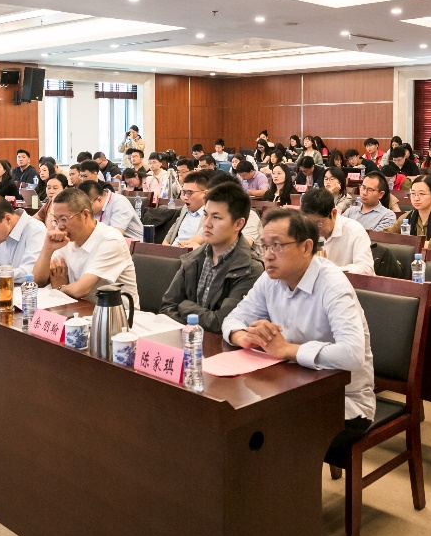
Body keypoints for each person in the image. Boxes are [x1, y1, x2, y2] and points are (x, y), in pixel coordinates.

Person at [221, 209, 375, 468]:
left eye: (277, 245)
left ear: (306, 247)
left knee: (265, 434)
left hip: (342, 402)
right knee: (236, 425)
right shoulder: (270, 279)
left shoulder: (333, 284)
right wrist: (243, 336)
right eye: (264, 246)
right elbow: (233, 318)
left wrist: (287, 350)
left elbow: (352, 354)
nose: (267, 255)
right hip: (289, 390)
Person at [159, 183, 264, 332]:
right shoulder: (193, 258)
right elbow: (167, 306)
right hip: (187, 340)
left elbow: (222, 322)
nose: (207, 224)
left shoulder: (250, 268)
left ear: (238, 224)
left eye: (216, 217)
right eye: (205, 215)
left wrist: (184, 306)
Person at [33, 188, 139, 306]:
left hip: (118, 313)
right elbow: (38, 282)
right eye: (56, 220)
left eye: (64, 219)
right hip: (78, 308)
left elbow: (80, 290)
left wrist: (59, 288)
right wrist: (47, 249)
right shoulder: (67, 239)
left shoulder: (111, 239)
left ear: (85, 214)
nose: (59, 227)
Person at [300, 188, 375, 275]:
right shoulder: (306, 230)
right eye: (310, 223)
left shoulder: (355, 231)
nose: (315, 229)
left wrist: (331, 270)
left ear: (334, 213)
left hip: (348, 282)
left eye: (319, 223)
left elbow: (366, 268)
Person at [385, 175, 431, 251]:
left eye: (421, 194)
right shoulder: (408, 216)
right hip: (414, 257)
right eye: (413, 193)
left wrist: (410, 242)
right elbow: (387, 236)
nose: (416, 198)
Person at [164, 171, 214, 247]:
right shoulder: (185, 208)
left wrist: (176, 249)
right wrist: (165, 244)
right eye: (184, 192)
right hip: (173, 249)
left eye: (189, 193)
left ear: (205, 193)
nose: (185, 197)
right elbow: (174, 227)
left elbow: (193, 243)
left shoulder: (211, 215)